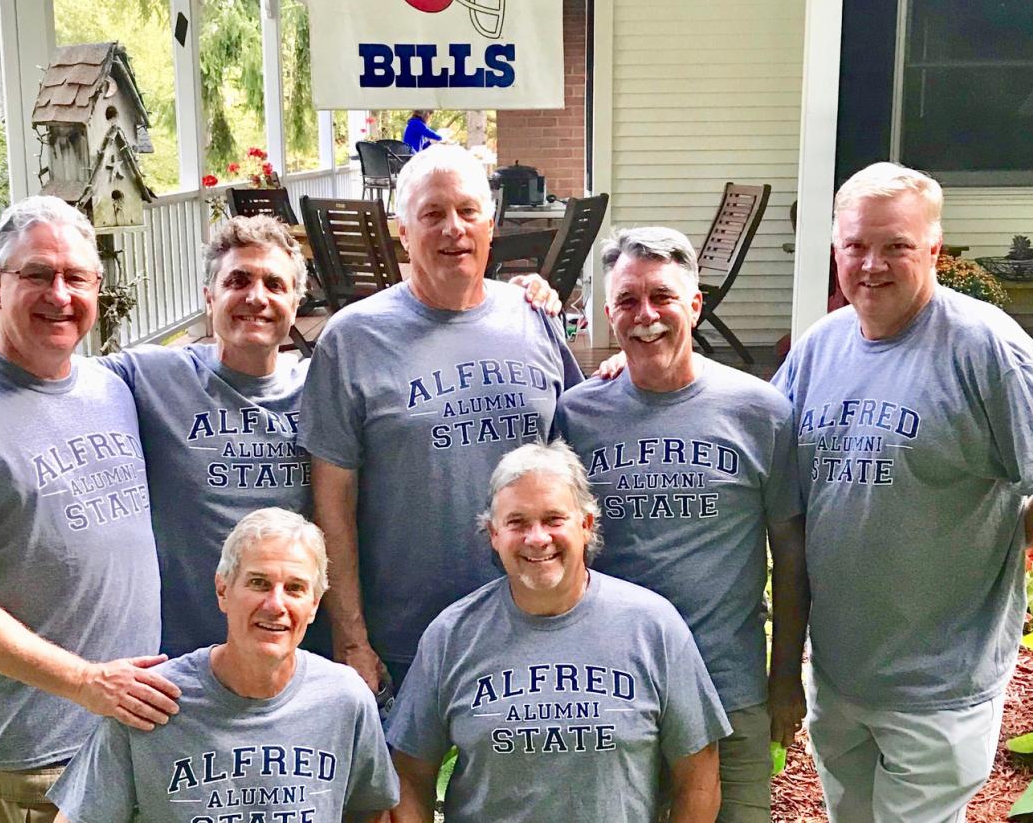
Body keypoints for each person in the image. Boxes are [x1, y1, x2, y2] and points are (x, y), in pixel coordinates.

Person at [772, 162, 1033, 822]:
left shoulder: (986, 349)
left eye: (896, 246)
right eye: (855, 245)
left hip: (940, 685)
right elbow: (759, 442)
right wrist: (640, 367)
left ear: (934, 252)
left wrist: (1008, 542)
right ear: (835, 248)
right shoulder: (820, 347)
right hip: (839, 671)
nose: (871, 264)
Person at [0, 214, 323, 659]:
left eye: (275, 285)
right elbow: (40, 366)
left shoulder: (323, 390)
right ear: (209, 297)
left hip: (292, 646)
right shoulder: (146, 376)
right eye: (238, 280)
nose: (256, 297)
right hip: (174, 662)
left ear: (297, 303)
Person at [0, 196, 178, 823]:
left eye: (77, 277)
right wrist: (85, 682)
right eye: (37, 274)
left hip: (128, 733)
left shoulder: (111, 385)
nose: (60, 293)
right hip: (34, 758)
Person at [299, 144, 584, 694]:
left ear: (490, 224)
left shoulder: (533, 318)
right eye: (432, 214)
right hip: (404, 640)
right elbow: (331, 503)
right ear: (403, 232)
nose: (453, 228)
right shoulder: (353, 339)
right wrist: (351, 639)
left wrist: (623, 367)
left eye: (467, 211)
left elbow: (577, 450)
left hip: (529, 625)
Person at [556, 225, 808, 823]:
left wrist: (785, 678)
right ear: (608, 315)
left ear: (694, 305)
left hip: (730, 686)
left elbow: (791, 557)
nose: (646, 316)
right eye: (627, 301)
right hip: (613, 690)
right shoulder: (577, 415)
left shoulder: (761, 412)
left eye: (663, 297)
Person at [386, 440, 730, 823]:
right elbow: (408, 773)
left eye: (553, 519)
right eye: (517, 522)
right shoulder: (452, 636)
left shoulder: (653, 627)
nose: (537, 538)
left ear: (586, 525)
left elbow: (698, 776)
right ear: (493, 534)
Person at [49, 507, 399, 823]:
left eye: (294, 589)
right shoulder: (150, 698)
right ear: (223, 590)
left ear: (313, 606)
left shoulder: (345, 699)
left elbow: (370, 811)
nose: (276, 605)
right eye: (258, 583)